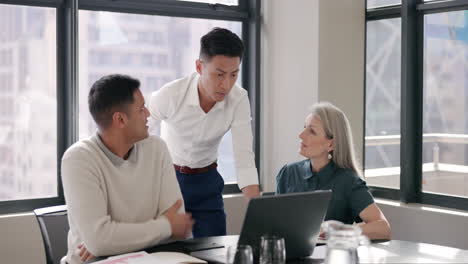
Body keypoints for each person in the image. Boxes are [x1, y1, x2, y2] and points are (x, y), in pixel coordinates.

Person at [61, 74, 193, 264]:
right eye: (141, 109)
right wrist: (165, 225)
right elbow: (100, 241)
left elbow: (178, 222)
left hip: (148, 259)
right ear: (120, 120)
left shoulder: (157, 148)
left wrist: (112, 241)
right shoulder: (79, 159)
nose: (148, 114)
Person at [148, 28, 260, 238]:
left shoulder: (239, 99)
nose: (226, 84)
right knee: (167, 250)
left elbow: (244, 156)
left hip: (207, 181)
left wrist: (260, 211)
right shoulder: (171, 95)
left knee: (214, 249)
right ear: (199, 67)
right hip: (169, 180)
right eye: (219, 74)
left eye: (233, 75)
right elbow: (136, 138)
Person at [276, 102, 391, 240]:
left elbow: (383, 228)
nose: (301, 135)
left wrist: (338, 230)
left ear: (331, 144)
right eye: (304, 128)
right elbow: (276, 226)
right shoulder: (288, 173)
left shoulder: (348, 181)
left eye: (312, 131)